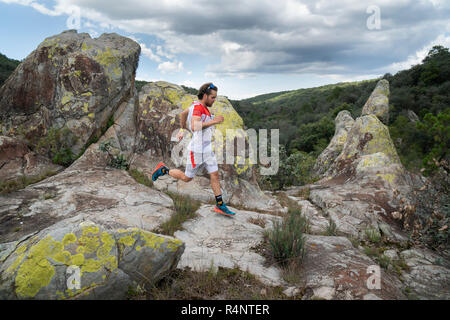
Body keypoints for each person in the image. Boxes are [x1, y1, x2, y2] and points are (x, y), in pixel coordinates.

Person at [151, 82, 236, 216]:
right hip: (197, 150)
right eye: (213, 97)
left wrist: (182, 128)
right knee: (187, 178)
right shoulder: (198, 108)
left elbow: (183, 114)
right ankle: (163, 170)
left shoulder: (198, 106)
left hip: (207, 149)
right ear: (205, 95)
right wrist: (214, 121)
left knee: (215, 174)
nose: (214, 100)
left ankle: (220, 205)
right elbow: (195, 126)